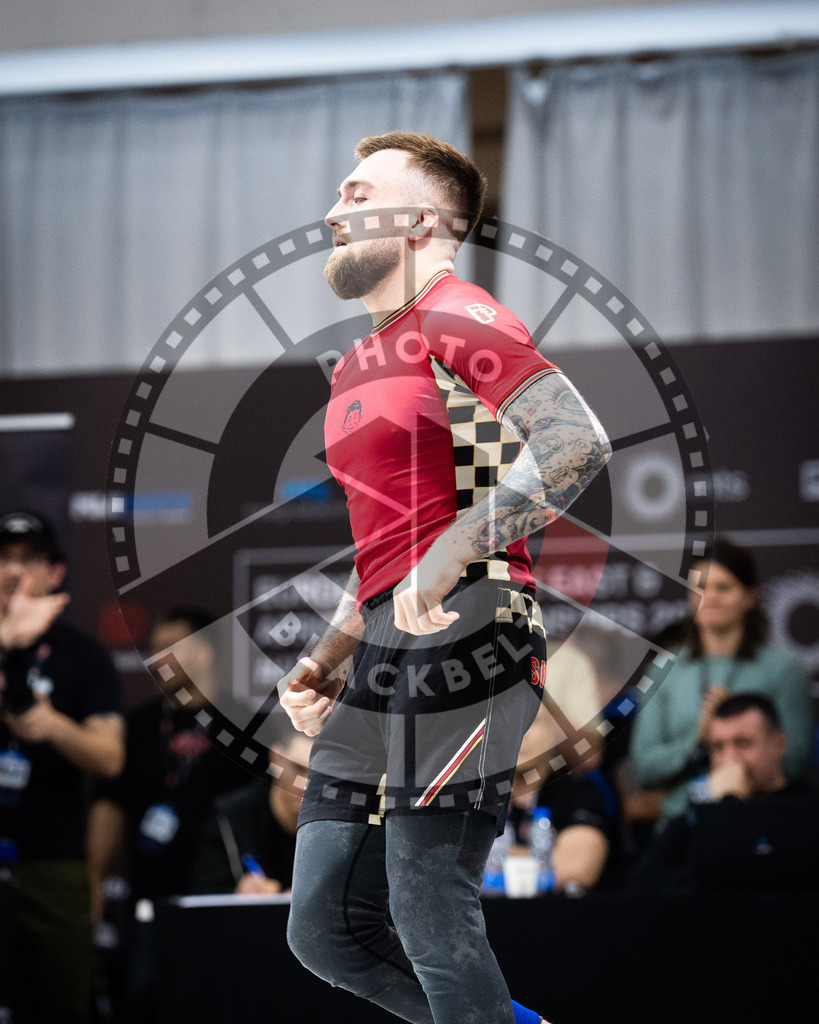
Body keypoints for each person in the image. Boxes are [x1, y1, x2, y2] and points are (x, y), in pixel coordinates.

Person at [280, 133, 612, 1024]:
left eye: (356, 194)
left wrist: (457, 546)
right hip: (385, 643)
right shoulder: (356, 363)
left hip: (473, 619)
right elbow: (384, 548)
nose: (332, 213)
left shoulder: (459, 314)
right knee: (323, 928)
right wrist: (327, 654)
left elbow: (575, 442)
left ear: (422, 219)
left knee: (428, 905)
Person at [86, 606, 248, 1023]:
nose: (159, 658)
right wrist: (96, 884)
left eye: (172, 646)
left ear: (208, 652)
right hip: (149, 904)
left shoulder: (250, 725)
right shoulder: (137, 727)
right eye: (154, 649)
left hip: (225, 902)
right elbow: (110, 807)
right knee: (145, 1006)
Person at [0, 510, 123, 1024]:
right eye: (3, 559)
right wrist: (7, 645)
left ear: (56, 572)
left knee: (60, 1006)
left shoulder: (84, 656)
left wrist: (53, 725)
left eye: (27, 560)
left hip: (52, 859)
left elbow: (110, 756)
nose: (12, 572)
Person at [629, 537, 812, 828]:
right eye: (699, 588)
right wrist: (696, 741)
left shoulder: (782, 667)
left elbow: (796, 760)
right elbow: (644, 768)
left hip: (765, 819)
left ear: (749, 597)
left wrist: (733, 765)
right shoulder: (667, 666)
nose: (709, 598)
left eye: (723, 587)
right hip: (682, 827)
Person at [630, 693, 817, 891]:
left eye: (743, 743)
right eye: (718, 747)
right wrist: (723, 804)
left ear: (778, 744)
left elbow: (754, 880)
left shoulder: (807, 810)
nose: (730, 759)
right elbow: (641, 882)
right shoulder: (698, 812)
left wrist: (729, 804)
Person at [189, 721, 312, 895]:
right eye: (298, 768)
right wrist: (237, 896)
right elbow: (203, 896)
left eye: (318, 775)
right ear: (276, 760)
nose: (305, 784)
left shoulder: (338, 823)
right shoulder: (230, 818)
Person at [509, 706, 612, 894]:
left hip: (560, 916)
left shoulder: (579, 791)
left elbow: (577, 870)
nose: (521, 734)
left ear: (554, 731)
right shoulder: (474, 796)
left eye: (532, 722)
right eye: (509, 723)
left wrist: (491, 860)